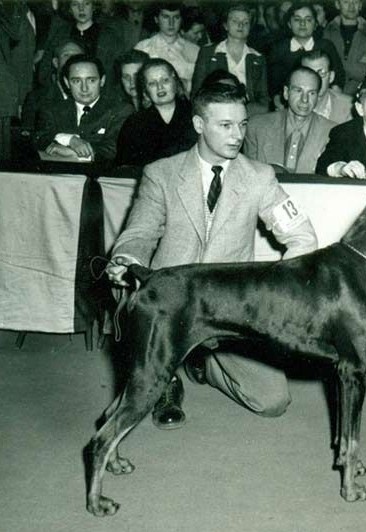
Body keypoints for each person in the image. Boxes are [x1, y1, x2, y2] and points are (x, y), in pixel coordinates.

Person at [105, 82, 318, 429]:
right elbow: (140, 232)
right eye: (225, 125)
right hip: (172, 306)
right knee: (132, 402)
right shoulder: (161, 173)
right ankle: (168, 378)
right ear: (199, 125)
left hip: (231, 309)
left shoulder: (260, 177)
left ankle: (203, 364)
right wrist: (126, 259)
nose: (237, 135)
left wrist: (275, 290)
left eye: (243, 124)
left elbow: (302, 237)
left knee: (272, 401)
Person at [34, 54, 133, 162]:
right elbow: (39, 138)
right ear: (67, 83)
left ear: (102, 80)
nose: (84, 88)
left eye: (91, 80)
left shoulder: (120, 110)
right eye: (76, 81)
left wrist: (74, 155)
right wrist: (69, 139)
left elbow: (113, 149)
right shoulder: (52, 110)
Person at [244, 66, 335, 173]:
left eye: (311, 93)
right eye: (298, 90)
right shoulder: (257, 127)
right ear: (286, 93)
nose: (304, 100)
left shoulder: (333, 132)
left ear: (317, 97)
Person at [114, 58, 197, 167]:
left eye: (165, 80)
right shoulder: (134, 123)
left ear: (176, 82)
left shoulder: (195, 114)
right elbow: (125, 164)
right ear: (145, 92)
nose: (160, 87)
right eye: (152, 83)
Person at [191, 4, 269, 117]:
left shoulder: (258, 58)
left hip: (249, 115)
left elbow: (264, 99)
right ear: (225, 25)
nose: (240, 25)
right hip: (215, 112)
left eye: (246, 22)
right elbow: (197, 93)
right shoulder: (208, 53)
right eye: (235, 21)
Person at [266, 2, 345, 105]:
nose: (302, 24)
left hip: (323, 101)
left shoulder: (326, 46)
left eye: (308, 20)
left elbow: (338, 78)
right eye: (297, 19)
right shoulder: (279, 49)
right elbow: (274, 86)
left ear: (316, 24)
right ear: (289, 24)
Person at [135, 2, 200, 97]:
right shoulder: (143, 48)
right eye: (166, 17)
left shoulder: (195, 50)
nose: (171, 23)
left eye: (176, 17)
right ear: (156, 19)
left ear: (181, 20)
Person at [21, 40, 85, 132]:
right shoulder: (36, 98)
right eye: (66, 55)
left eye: (76, 56)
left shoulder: (94, 96)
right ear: (55, 62)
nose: (71, 59)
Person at [323, 0, 366, 95]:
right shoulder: (327, 33)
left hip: (359, 94)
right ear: (338, 4)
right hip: (329, 92)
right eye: (346, 2)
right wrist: (355, 65)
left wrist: (335, 62)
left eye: (355, 2)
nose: (351, 6)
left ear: (360, 5)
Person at [300, 48, 353, 124]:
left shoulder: (349, 107)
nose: (315, 80)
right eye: (309, 73)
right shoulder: (292, 105)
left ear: (331, 77)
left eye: (321, 73)